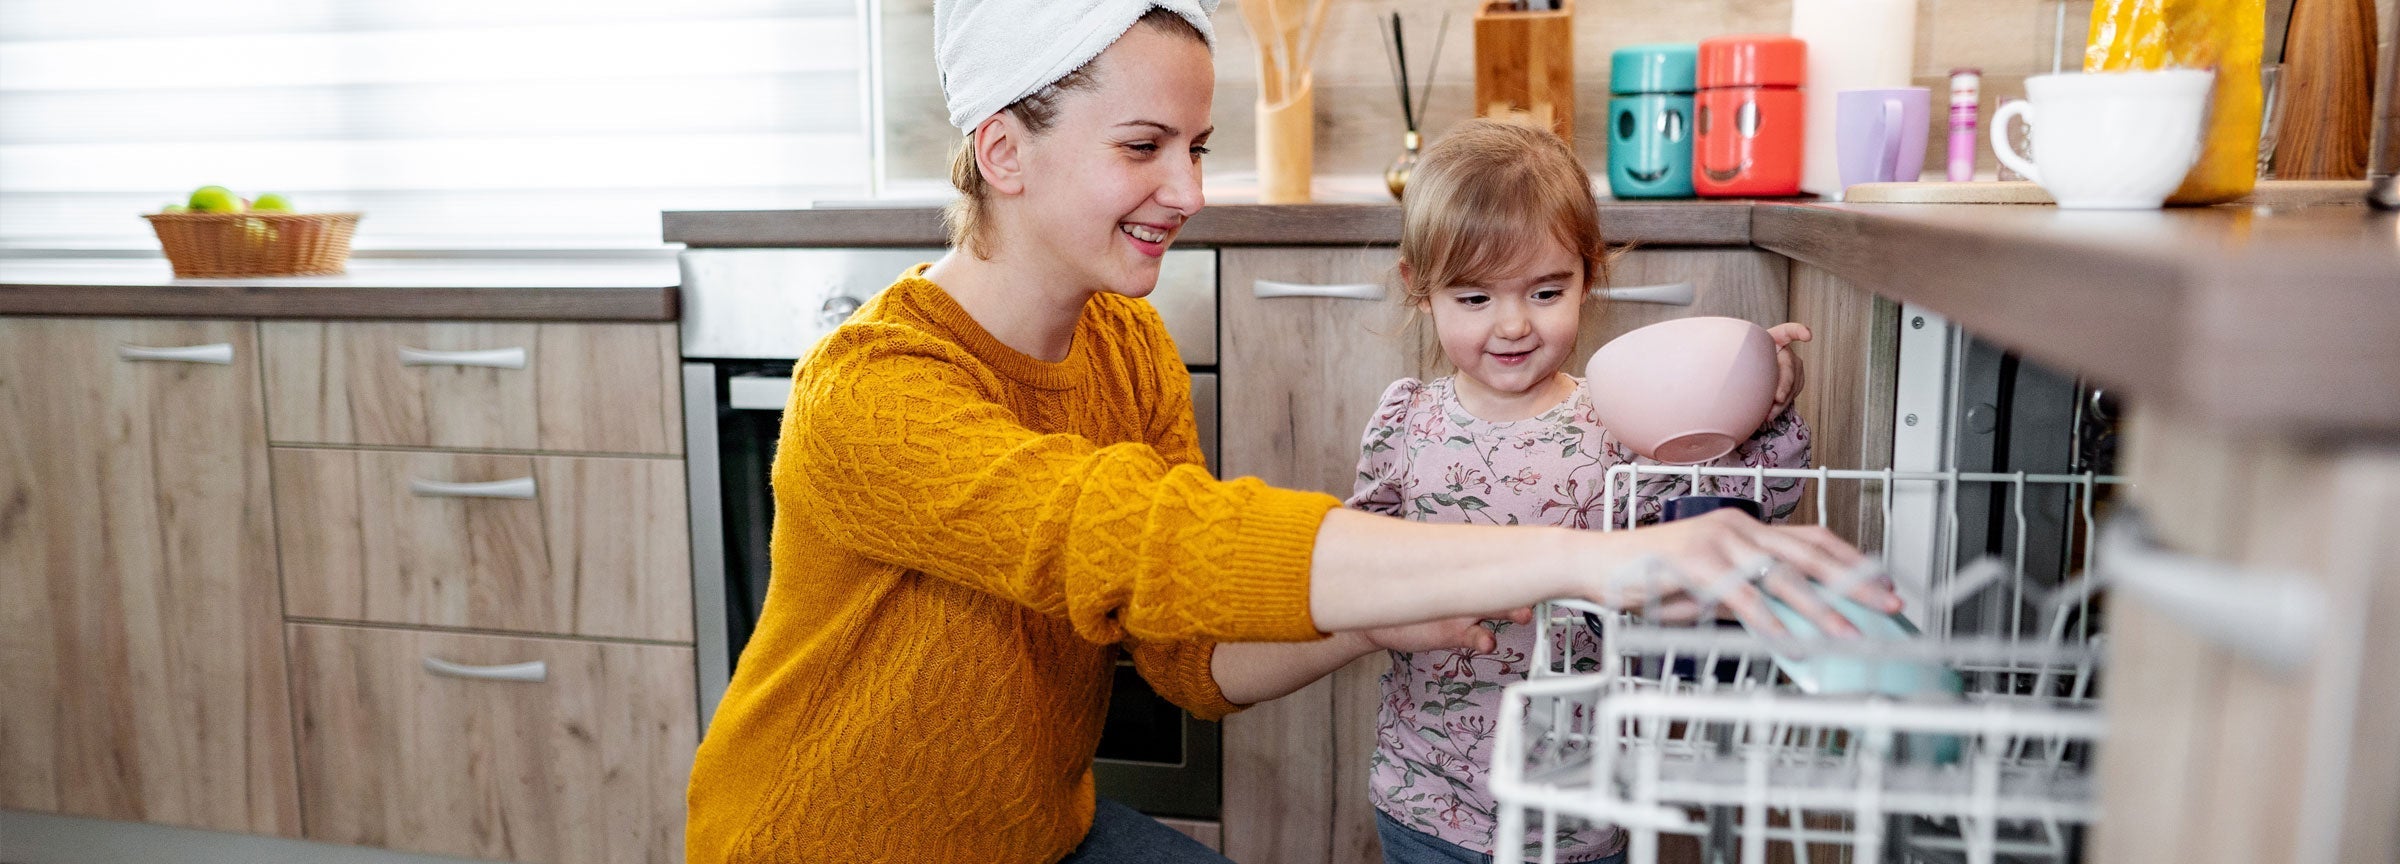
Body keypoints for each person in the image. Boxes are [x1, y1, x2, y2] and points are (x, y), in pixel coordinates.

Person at [681, 3, 1896, 863]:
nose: (1192, 192)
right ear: (1004, 149)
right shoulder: (876, 390)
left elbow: (1187, 662)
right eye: (1144, 147)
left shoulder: (1125, 350)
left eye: (1196, 148)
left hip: (1035, 834)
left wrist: (1377, 614)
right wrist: (1594, 556)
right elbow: (1146, 539)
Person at [1344, 120, 1819, 864]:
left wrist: (1759, 401)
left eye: (1544, 291)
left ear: (1588, 275)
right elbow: (1353, 570)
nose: (1512, 325)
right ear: (1420, 288)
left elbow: (1739, 511)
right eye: (1473, 298)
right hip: (1425, 798)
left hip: (1584, 806)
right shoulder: (1406, 421)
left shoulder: (1624, 415)